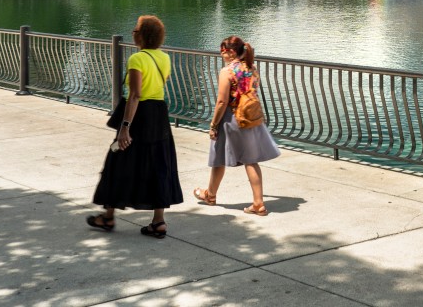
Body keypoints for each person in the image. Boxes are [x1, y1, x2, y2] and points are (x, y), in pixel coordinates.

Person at [86, 15, 183, 238]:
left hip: (139, 116)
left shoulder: (137, 59)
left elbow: (136, 95)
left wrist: (125, 127)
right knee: (159, 164)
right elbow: (157, 87)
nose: (133, 32)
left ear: (142, 35)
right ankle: (158, 222)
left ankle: (108, 217)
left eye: (135, 30)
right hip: (159, 114)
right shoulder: (165, 58)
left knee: (117, 162)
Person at [193, 35, 280, 215]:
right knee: (251, 160)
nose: (221, 54)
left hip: (231, 118)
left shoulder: (227, 72)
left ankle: (210, 195)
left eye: (222, 51)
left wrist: (213, 124)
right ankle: (258, 203)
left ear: (231, 52)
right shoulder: (252, 68)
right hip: (249, 117)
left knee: (218, 156)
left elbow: (221, 102)